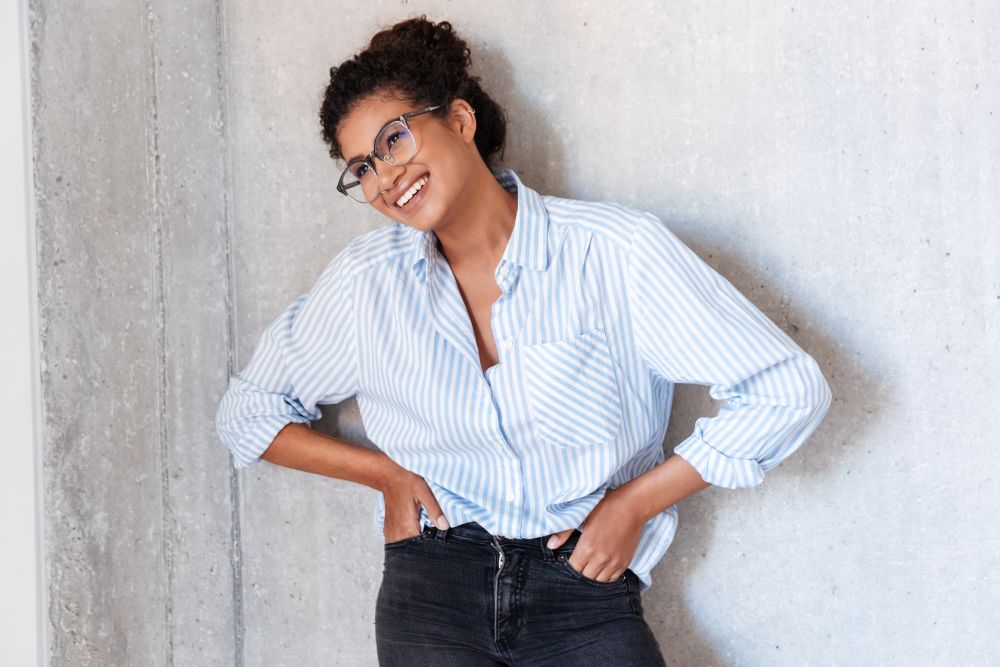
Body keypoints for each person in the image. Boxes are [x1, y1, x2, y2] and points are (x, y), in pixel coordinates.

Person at [215, 15, 833, 667]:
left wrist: (633, 504)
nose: (385, 177)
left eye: (393, 140)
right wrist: (386, 475)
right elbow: (248, 414)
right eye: (362, 168)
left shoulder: (613, 253)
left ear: (458, 120)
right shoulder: (368, 283)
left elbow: (786, 388)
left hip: (582, 591)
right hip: (430, 591)